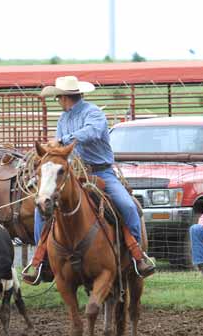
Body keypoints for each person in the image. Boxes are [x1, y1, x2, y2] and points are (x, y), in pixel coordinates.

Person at [24, 76, 155, 285]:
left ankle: (137, 255)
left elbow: (92, 132)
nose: (58, 101)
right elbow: (60, 151)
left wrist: (63, 140)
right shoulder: (63, 119)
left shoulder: (93, 113)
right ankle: (42, 259)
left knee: (127, 206)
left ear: (64, 97)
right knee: (43, 207)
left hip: (101, 173)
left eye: (58, 97)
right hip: (74, 174)